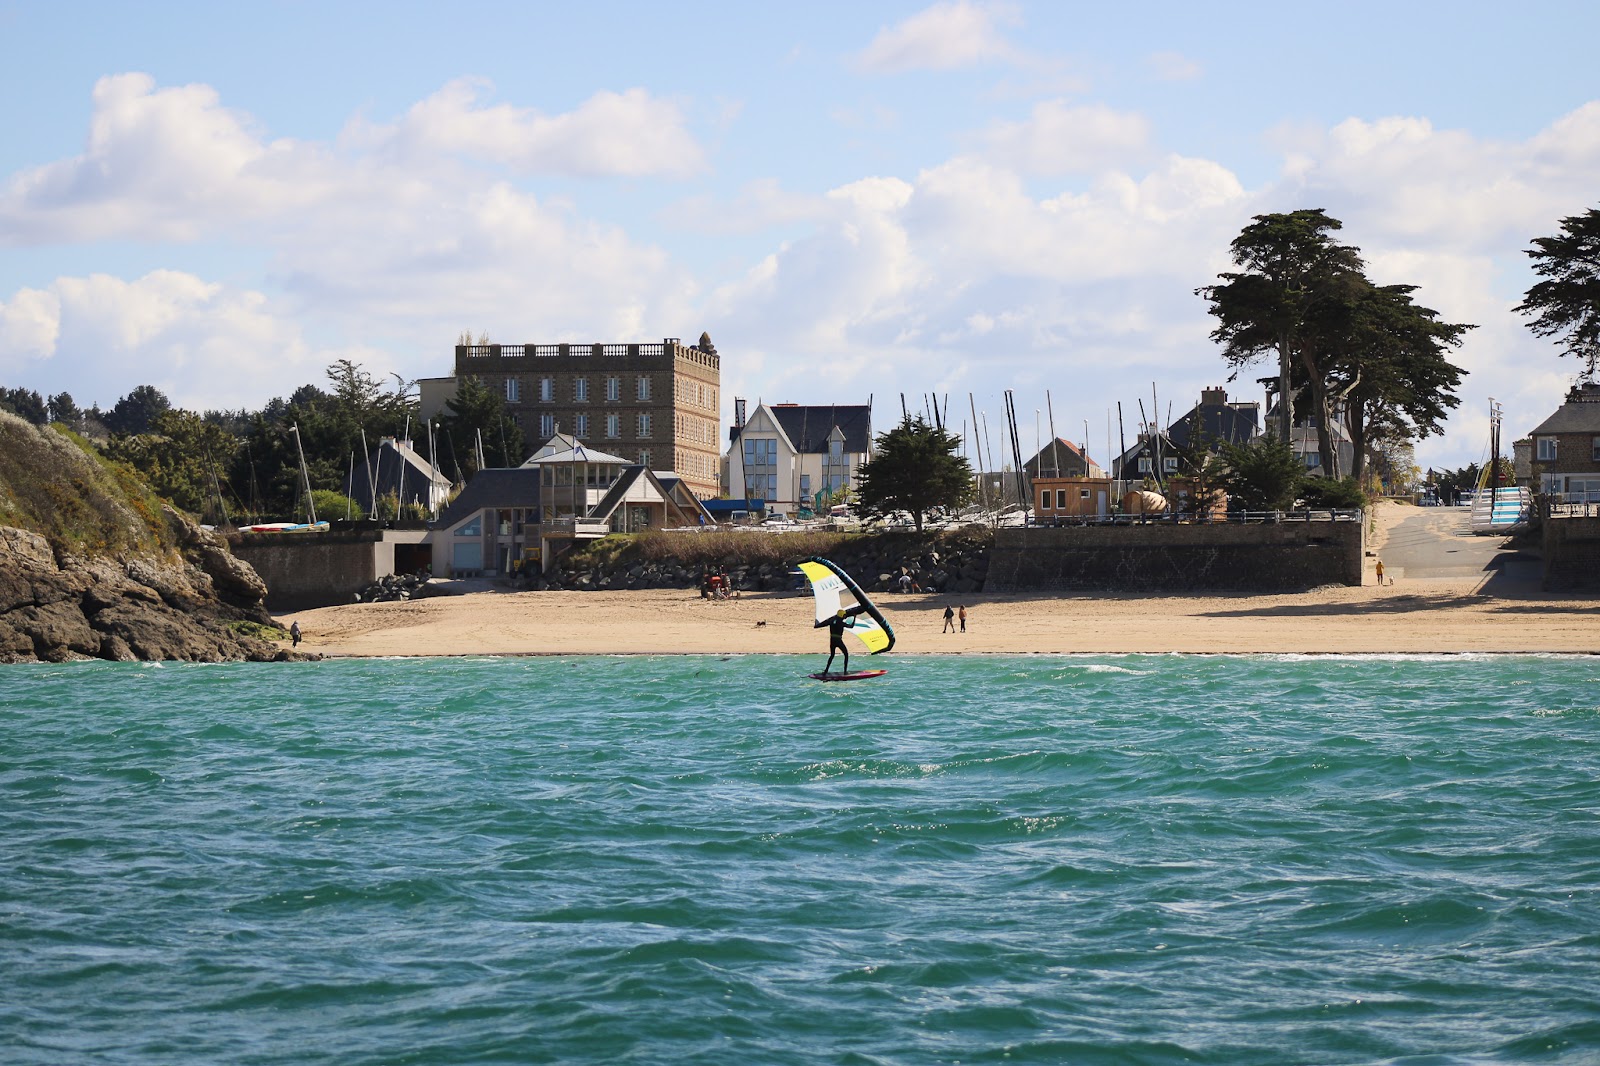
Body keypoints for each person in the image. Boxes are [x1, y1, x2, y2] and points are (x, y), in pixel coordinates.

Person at [815, 605, 866, 676]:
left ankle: (825, 671)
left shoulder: (832, 620)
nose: (845, 616)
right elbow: (851, 626)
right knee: (846, 654)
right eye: (844, 615)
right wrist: (854, 617)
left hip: (832, 640)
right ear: (842, 615)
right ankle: (845, 672)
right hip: (838, 640)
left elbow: (824, 623)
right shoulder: (841, 623)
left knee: (832, 655)